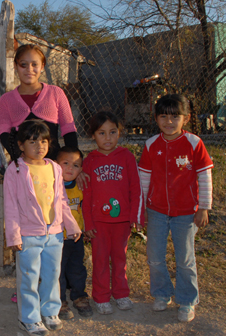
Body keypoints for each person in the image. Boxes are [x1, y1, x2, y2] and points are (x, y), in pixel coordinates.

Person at [138, 94, 213, 323]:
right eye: (163, 116)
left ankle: (187, 300)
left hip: (187, 212)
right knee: (154, 257)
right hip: (157, 211)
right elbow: (144, 179)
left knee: (185, 258)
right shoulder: (151, 145)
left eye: (175, 117)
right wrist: (141, 210)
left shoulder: (194, 143)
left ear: (186, 118)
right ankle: (162, 294)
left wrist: (204, 207)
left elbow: (204, 175)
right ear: (156, 118)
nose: (169, 122)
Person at [4, 120, 82, 336]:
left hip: (55, 233)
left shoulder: (55, 168)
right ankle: (28, 318)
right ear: (21, 145)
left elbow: (62, 201)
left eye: (44, 141)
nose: (40, 146)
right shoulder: (16, 169)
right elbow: (10, 205)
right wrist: (14, 235)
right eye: (33, 141)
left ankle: (50, 311)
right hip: (29, 235)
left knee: (52, 274)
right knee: (28, 277)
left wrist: (71, 225)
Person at [82, 111, 144, 315]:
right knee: (100, 260)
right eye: (101, 133)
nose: (107, 138)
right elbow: (87, 195)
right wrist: (88, 223)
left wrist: (136, 216)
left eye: (112, 132)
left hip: (121, 221)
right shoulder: (90, 161)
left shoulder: (126, 156)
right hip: (99, 222)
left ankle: (121, 294)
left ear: (120, 133)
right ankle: (101, 297)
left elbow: (136, 188)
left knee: (120, 259)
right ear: (93, 135)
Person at [0, 44, 78, 161]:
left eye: (34, 64)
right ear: (15, 66)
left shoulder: (55, 93)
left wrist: (72, 161)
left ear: (42, 66)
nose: (29, 69)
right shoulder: (6, 100)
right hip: (22, 167)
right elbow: (4, 133)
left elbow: (68, 129)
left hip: (52, 166)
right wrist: (20, 158)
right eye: (23, 65)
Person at [55, 146, 93, 320]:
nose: (70, 168)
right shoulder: (52, 187)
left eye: (76, 165)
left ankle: (79, 296)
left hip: (76, 239)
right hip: (57, 238)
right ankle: (59, 300)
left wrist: (85, 228)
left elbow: (84, 210)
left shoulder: (81, 186)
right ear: (55, 165)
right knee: (58, 271)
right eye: (65, 163)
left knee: (77, 269)